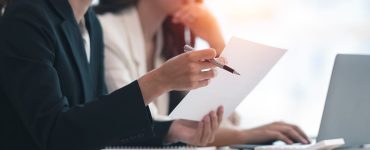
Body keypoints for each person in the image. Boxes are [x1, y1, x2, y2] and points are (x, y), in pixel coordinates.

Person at [0, 0, 224, 149]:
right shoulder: (26, 18)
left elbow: (97, 121)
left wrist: (171, 130)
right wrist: (159, 80)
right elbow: (57, 135)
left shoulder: (90, 23)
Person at [96, 0, 311, 146]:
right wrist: (244, 136)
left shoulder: (167, 38)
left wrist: (215, 40)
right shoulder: (106, 31)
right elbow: (140, 124)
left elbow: (222, 117)